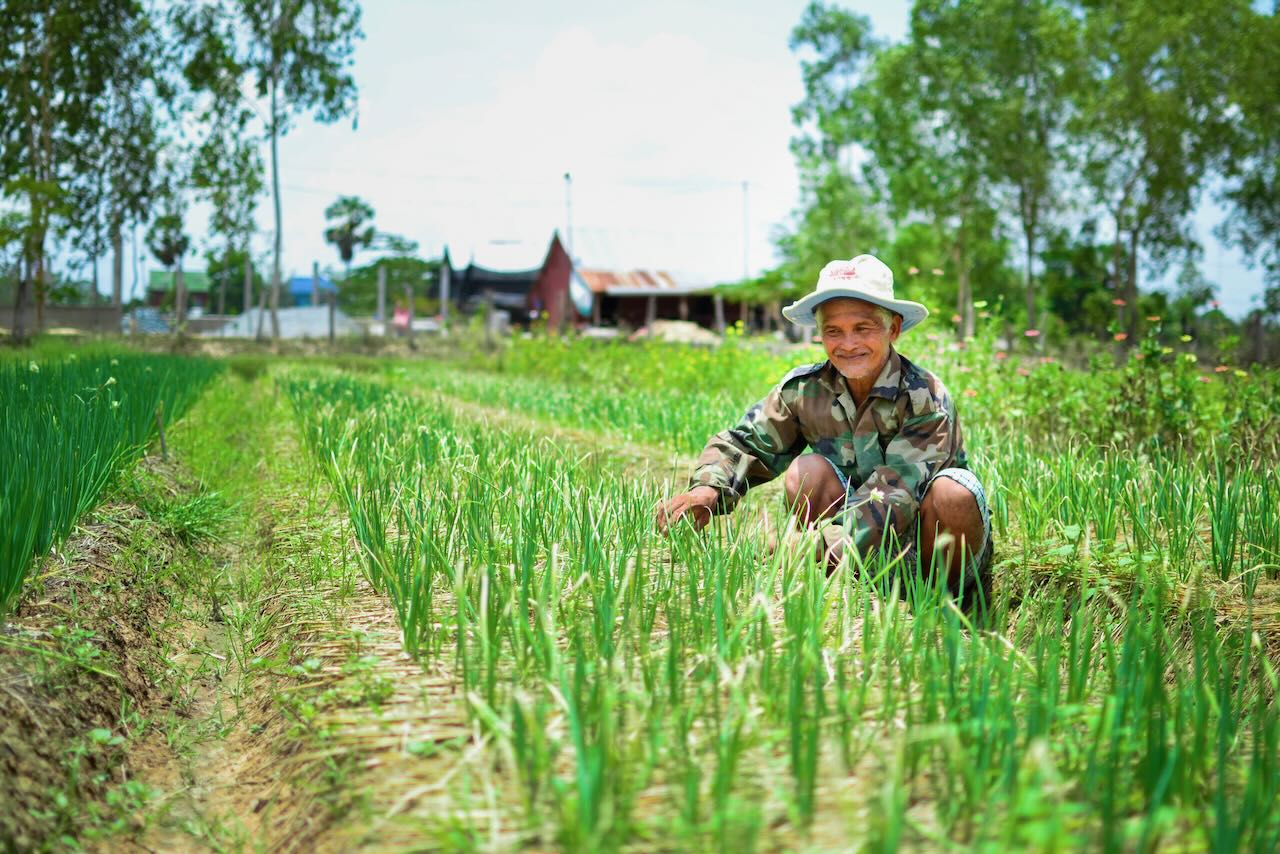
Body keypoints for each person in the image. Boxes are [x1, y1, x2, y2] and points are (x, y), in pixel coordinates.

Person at [656, 254, 992, 604]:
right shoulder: (805, 389)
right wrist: (708, 491)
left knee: (954, 493)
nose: (847, 344)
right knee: (806, 472)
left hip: (929, 544)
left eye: (862, 328)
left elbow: (895, 494)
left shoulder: (926, 396)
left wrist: (807, 545)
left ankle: (939, 605)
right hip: (855, 551)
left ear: (892, 328)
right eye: (834, 331)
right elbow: (746, 444)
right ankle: (846, 591)